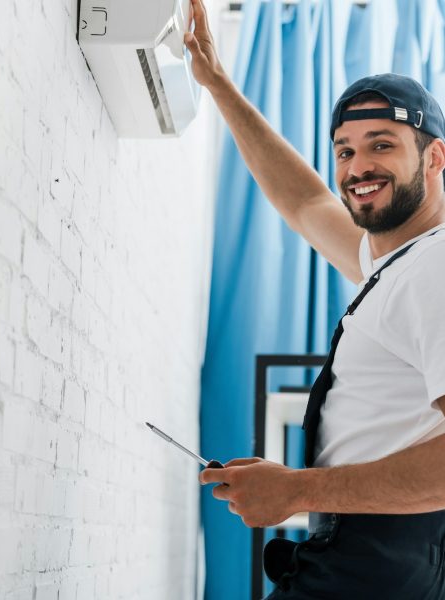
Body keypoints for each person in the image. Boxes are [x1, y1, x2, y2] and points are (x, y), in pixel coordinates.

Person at [185, 0, 445, 598]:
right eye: (346, 150)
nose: (358, 167)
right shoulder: (392, 261)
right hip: (363, 556)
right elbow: (306, 204)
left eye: (382, 145)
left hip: (382, 564)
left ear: (433, 159)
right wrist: (220, 86)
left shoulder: (434, 269)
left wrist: (298, 490)